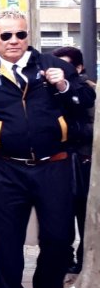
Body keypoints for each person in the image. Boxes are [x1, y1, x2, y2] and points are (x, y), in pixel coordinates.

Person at [0, 11, 95, 288]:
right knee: (5, 241)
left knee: (59, 238)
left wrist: (63, 86)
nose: (13, 41)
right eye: (5, 35)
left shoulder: (54, 66)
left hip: (54, 167)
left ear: (28, 36)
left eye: (20, 34)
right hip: (5, 171)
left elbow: (86, 98)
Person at [52, 45, 96, 274]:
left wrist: (70, 129)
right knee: (60, 215)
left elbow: (94, 129)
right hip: (57, 162)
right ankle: (65, 259)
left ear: (78, 68)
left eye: (66, 65)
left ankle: (82, 260)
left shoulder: (88, 91)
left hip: (83, 162)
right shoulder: (47, 90)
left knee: (83, 214)